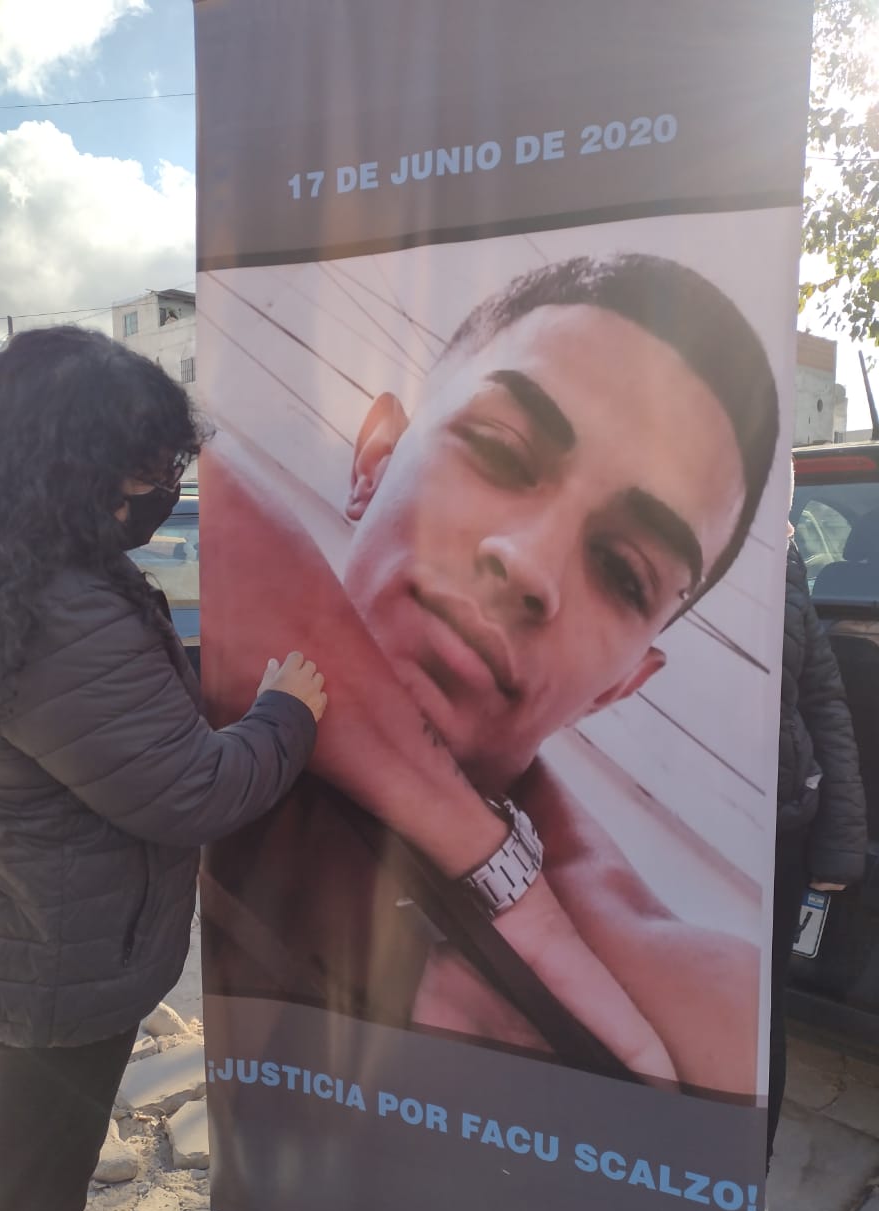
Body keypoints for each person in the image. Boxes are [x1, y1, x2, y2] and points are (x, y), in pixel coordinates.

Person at [199, 252, 780, 1097]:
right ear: (374, 463)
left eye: (623, 571)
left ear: (623, 684)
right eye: (503, 453)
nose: (529, 565)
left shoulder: (669, 983)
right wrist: (494, 869)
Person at [0, 326, 327, 1211]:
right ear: (69, 471)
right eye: (141, 479)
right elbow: (193, 789)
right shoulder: (62, 612)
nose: (155, 499)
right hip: (63, 957)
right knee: (33, 1196)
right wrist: (287, 714)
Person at [770, 526, 866, 1162]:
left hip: (773, 835)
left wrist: (838, 844)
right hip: (663, 826)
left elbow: (825, 706)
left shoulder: (784, 567)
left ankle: (748, 1179)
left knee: (756, 1017)